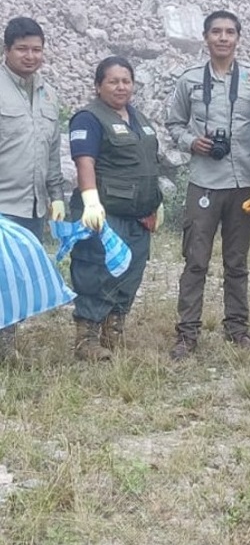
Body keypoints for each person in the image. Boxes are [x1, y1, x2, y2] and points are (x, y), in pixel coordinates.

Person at [166, 10, 250, 360]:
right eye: (216, 32)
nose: (223, 38)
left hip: (243, 182)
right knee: (195, 259)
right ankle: (186, 334)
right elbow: (174, 122)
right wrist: (192, 142)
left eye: (229, 32)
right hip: (204, 181)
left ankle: (237, 328)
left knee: (237, 261)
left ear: (238, 37)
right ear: (205, 38)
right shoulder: (189, 80)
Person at [68, 56, 163, 360]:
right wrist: (91, 202)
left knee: (130, 273)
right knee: (98, 271)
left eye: (126, 80)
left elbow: (147, 165)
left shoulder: (139, 119)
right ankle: (87, 340)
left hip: (138, 217)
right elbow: (85, 161)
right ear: (98, 86)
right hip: (106, 215)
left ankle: (113, 332)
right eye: (113, 81)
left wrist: (154, 204)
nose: (121, 86)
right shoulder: (89, 118)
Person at [0, 17, 65, 358]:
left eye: (36, 49)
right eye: (22, 49)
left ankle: (6, 346)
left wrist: (56, 197)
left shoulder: (49, 94)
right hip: (3, 205)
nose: (30, 56)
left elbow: (53, 152)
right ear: (6, 49)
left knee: (18, 280)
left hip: (34, 206)